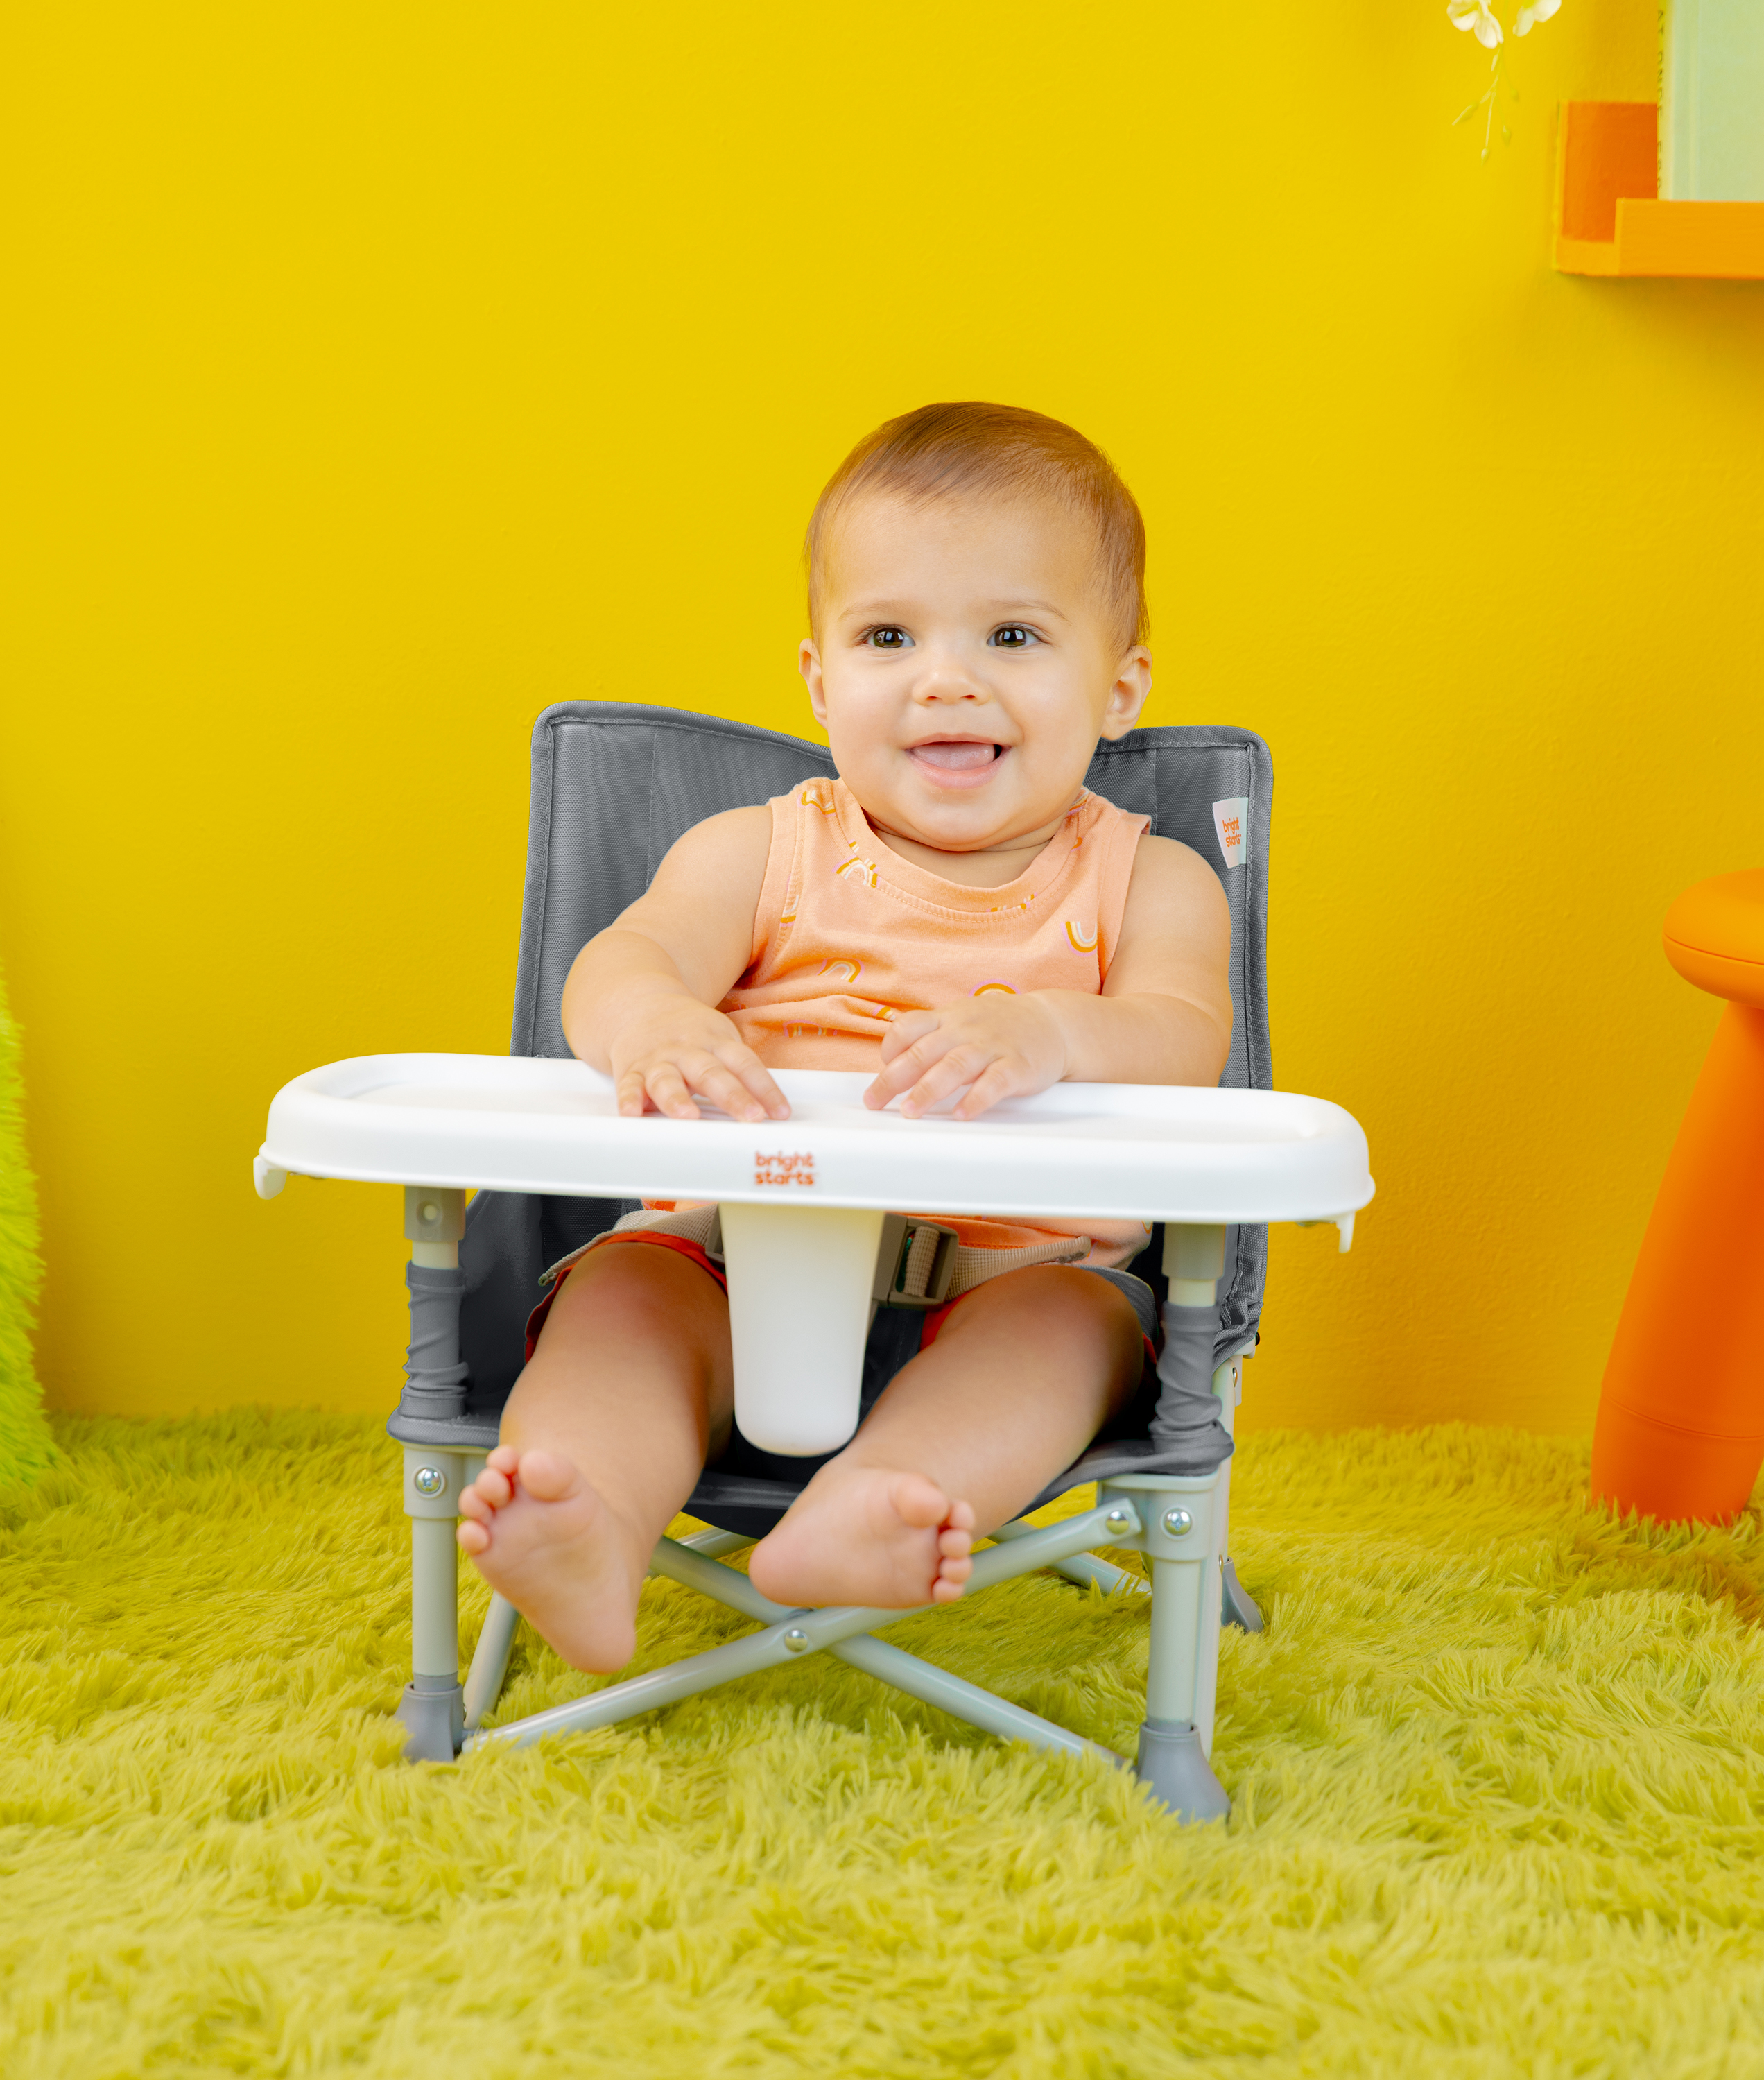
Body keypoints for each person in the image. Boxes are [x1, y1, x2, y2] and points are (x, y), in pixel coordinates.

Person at [457, 402, 1234, 1673]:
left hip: (1013, 1275)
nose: (945, 679)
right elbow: (621, 964)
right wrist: (657, 1020)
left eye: (1013, 636)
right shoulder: (756, 852)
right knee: (625, 1297)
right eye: (888, 636)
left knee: (1073, 1333)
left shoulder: (1151, 881)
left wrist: (1053, 1032)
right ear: (821, 680)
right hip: (730, 1257)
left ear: (1119, 689)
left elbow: (1187, 1037)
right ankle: (587, 1507)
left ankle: (884, 1500)